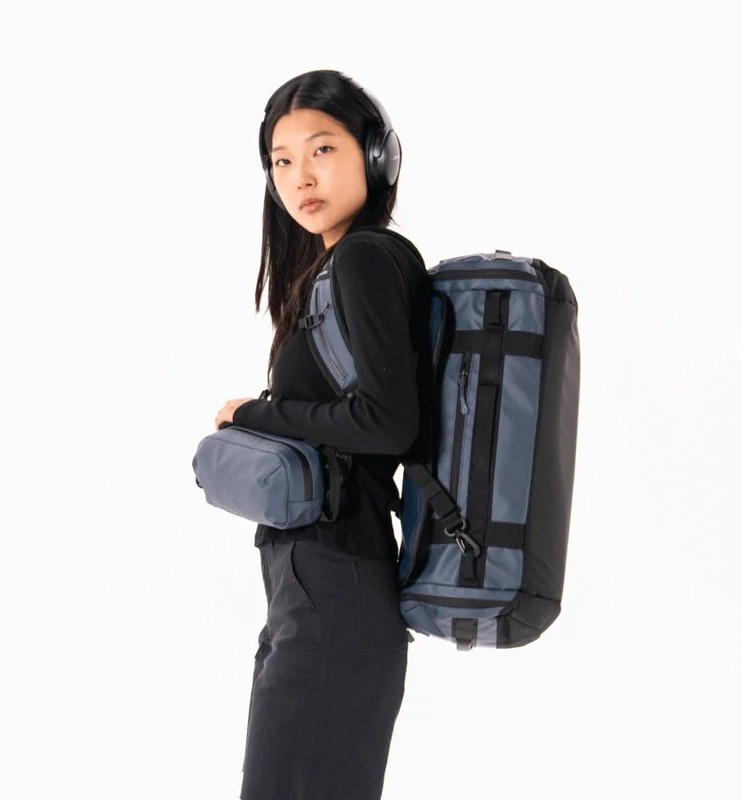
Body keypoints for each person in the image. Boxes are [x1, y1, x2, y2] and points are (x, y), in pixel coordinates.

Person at [213, 69, 432, 800]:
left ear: (376, 155)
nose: (300, 177)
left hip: (335, 586)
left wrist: (254, 413)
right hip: (313, 587)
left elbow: (388, 423)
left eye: (323, 149)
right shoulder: (332, 272)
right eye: (282, 160)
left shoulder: (366, 257)